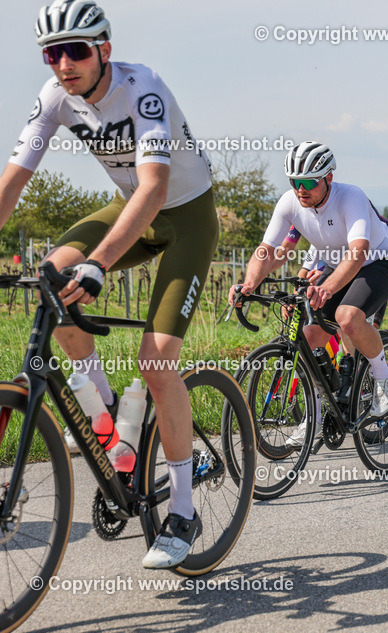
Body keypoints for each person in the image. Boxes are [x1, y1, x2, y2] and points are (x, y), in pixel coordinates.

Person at [0, 1, 219, 569]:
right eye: (52, 53)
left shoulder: (142, 88)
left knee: (158, 362)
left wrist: (98, 262)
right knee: (52, 278)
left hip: (185, 216)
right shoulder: (55, 97)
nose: (63, 64)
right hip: (126, 210)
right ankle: (107, 420)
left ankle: (183, 511)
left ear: (105, 50)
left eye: (76, 50)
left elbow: (153, 187)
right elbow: (14, 179)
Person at [231, 142, 388, 448]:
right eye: (294, 182)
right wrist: (248, 284)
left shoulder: (351, 197)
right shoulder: (289, 203)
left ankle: (383, 374)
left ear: (328, 179)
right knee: (307, 339)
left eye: (309, 182)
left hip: (377, 263)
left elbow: (359, 252)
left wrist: (326, 287)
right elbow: (267, 251)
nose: (301, 189)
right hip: (337, 265)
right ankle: (317, 416)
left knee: (347, 317)